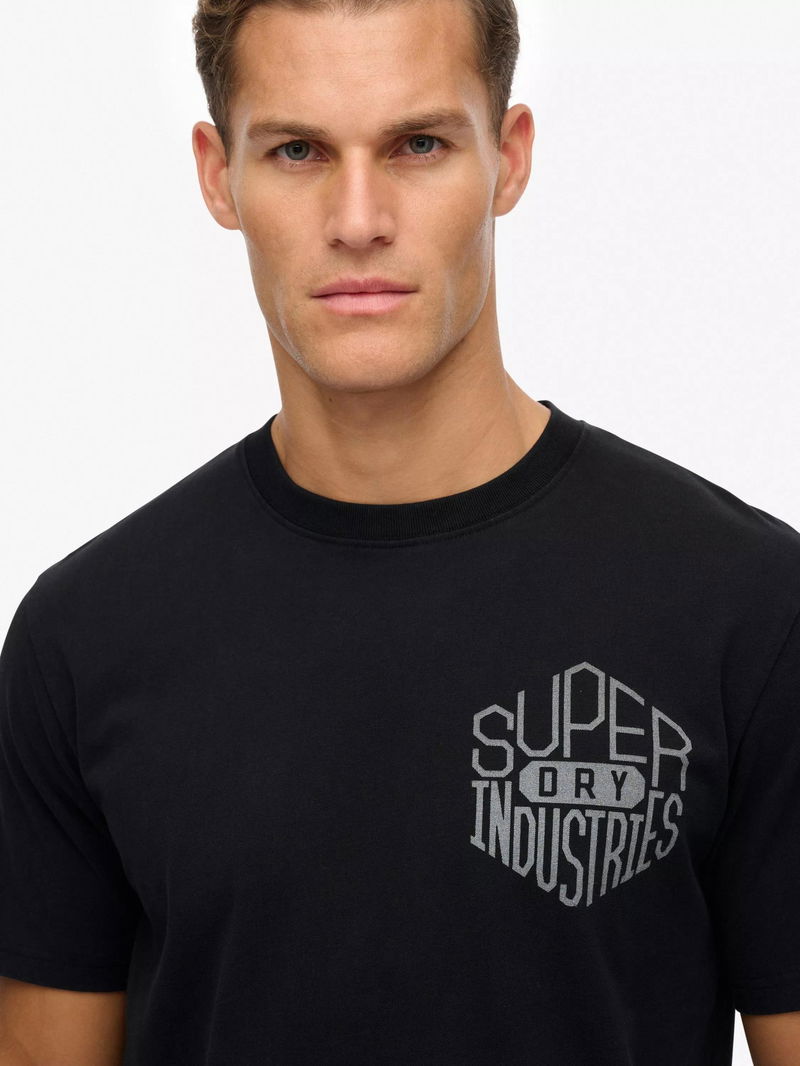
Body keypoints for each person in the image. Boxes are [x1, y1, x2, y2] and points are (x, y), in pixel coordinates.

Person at [0, 0, 798, 1063]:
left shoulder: (746, 610)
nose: (359, 218)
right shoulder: (83, 639)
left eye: (418, 145)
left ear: (508, 157)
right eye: (296, 151)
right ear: (218, 176)